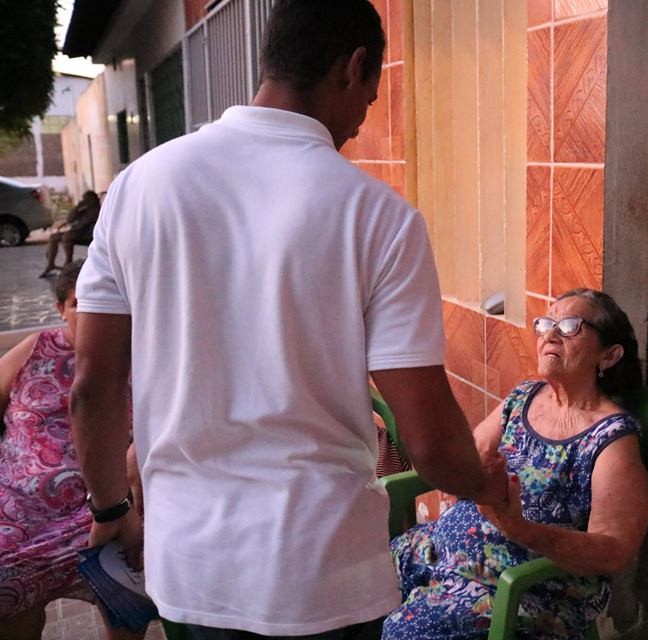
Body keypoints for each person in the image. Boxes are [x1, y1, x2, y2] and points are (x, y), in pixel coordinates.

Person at [69, 1, 506, 639]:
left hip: (192, 571)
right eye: (371, 98)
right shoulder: (378, 217)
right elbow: (435, 446)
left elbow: (93, 383)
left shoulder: (139, 187)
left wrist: (110, 509)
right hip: (324, 577)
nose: (360, 123)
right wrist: (487, 485)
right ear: (353, 67)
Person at [383, 289, 648, 640]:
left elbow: (614, 551)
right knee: (357, 577)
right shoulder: (525, 396)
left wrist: (517, 527)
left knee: (404, 631)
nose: (549, 335)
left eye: (570, 326)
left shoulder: (611, 438)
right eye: (545, 324)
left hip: (522, 590)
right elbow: (473, 453)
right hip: (443, 550)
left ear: (610, 354)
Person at [0, 261, 144, 640]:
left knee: (128, 603)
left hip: (109, 510)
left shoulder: (139, 357)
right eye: (81, 302)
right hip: (21, 516)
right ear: (60, 308)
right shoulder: (36, 349)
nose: (95, 311)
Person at [40, 191, 100, 278]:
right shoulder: (84, 210)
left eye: (87, 199)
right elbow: (69, 219)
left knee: (67, 236)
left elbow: (84, 225)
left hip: (89, 235)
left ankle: (68, 262)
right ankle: (50, 264)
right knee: (54, 237)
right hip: (79, 233)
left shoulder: (97, 211)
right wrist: (78, 207)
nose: (85, 201)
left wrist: (78, 223)